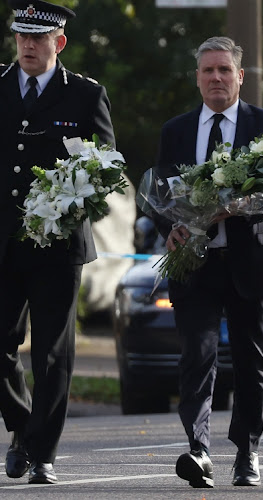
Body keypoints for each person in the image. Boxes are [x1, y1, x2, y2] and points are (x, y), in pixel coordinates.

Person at [154, 36, 263, 489]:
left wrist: (237, 206)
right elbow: (158, 197)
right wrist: (170, 229)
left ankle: (246, 452)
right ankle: (198, 449)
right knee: (196, 356)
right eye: (207, 71)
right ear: (197, 78)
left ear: (239, 75)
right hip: (194, 262)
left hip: (251, 259)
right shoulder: (175, 130)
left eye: (224, 70)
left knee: (251, 359)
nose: (216, 78)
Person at [0, 0, 115, 485]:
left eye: (38, 37)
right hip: (3, 243)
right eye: (21, 36)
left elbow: (106, 168)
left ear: (58, 42)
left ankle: (43, 452)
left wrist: (68, 205)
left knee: (52, 352)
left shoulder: (85, 95)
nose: (28, 44)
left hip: (57, 246)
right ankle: (23, 427)